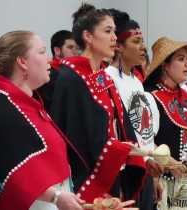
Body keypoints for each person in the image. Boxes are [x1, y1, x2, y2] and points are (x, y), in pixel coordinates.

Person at [49, 3, 146, 202]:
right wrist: (123, 150)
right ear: (88, 37)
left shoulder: (103, 77)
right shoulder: (68, 77)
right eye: (108, 31)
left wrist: (138, 154)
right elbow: (75, 139)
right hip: (85, 182)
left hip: (112, 174)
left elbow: (117, 127)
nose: (114, 37)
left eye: (114, 32)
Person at [0, 30, 86, 210]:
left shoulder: (24, 102)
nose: (48, 59)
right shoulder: (1, 107)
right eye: (41, 51)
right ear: (22, 62)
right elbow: (9, 170)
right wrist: (56, 197)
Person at [105, 9, 162, 210]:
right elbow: (118, 131)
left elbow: (143, 129)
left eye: (142, 41)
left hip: (144, 166)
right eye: (136, 42)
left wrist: (151, 160)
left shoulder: (137, 81)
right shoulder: (107, 79)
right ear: (119, 46)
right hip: (125, 169)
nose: (142, 47)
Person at [144, 36, 187, 210]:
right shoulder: (150, 96)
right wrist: (168, 164)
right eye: (181, 59)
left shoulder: (186, 93)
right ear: (165, 65)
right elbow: (145, 141)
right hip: (165, 182)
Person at [37, 30, 79, 112]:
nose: (76, 52)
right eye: (70, 47)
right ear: (57, 50)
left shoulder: (74, 73)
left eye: (77, 48)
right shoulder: (49, 75)